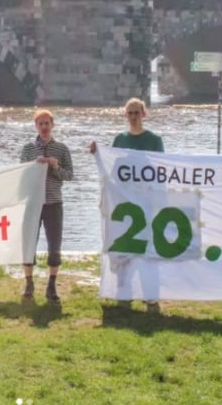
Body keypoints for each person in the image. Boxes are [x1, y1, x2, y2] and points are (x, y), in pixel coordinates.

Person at [90, 97, 164, 311]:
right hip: (126, 205)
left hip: (146, 202)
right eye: (130, 113)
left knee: (148, 252)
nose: (133, 116)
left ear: (144, 114)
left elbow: (161, 170)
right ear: (126, 116)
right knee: (124, 250)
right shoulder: (120, 140)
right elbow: (113, 170)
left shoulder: (154, 140)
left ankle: (151, 298)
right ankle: (125, 294)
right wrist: (98, 154)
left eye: (136, 112)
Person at [19, 108, 74, 303]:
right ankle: (28, 282)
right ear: (36, 126)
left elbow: (70, 175)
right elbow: (21, 176)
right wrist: (34, 166)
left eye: (47, 123)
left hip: (53, 203)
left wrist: (55, 167)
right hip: (33, 204)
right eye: (40, 123)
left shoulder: (61, 149)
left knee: (54, 244)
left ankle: (52, 284)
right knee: (29, 243)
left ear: (52, 125)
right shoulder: (27, 149)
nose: (44, 127)